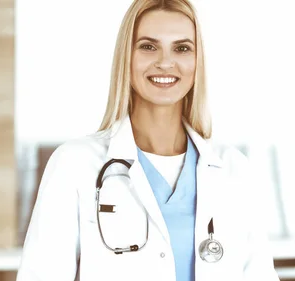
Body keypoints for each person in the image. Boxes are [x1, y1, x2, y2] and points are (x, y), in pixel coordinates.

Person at [16, 0, 280, 280]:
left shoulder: (232, 169)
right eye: (148, 46)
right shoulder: (75, 163)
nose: (165, 62)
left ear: (196, 61)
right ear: (126, 57)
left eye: (182, 48)